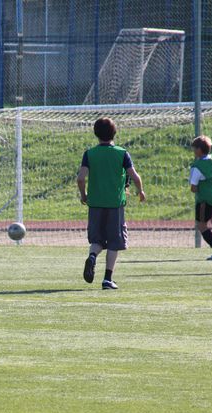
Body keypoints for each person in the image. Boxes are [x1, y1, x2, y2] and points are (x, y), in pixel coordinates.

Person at [77, 117, 146, 290]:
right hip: (115, 204)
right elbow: (135, 176)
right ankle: (107, 279)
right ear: (114, 133)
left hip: (95, 203)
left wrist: (84, 195)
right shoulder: (122, 153)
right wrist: (140, 191)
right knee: (114, 242)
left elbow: (80, 178)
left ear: (96, 134)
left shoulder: (89, 154)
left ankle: (92, 256)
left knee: (97, 240)